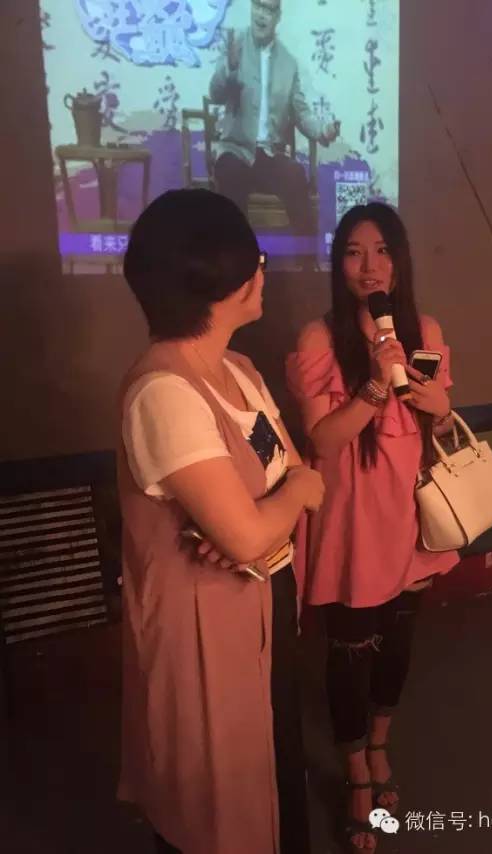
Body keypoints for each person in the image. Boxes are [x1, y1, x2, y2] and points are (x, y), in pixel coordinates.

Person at [117, 188, 323, 854]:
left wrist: (261, 521)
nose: (264, 273)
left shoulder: (240, 369)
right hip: (202, 628)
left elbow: (301, 478)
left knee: (271, 761)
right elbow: (256, 525)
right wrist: (261, 521)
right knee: (212, 796)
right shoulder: (165, 393)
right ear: (221, 282)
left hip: (267, 598)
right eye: (256, 262)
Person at [286, 203, 459, 852]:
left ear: (400, 260)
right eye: (354, 252)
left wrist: (439, 404)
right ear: (339, 264)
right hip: (352, 523)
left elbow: (435, 422)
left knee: (398, 644)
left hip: (408, 519)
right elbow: (323, 440)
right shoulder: (320, 339)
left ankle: (380, 746)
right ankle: (356, 772)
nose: (369, 266)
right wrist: (373, 389)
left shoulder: (425, 331)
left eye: (382, 250)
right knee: (350, 654)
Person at [209, 0, 339, 235]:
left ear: (278, 16)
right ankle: (238, 253)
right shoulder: (235, 46)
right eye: (258, 5)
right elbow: (216, 95)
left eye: (268, 9)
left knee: (295, 175)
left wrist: (322, 130)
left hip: (269, 156)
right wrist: (229, 66)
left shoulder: (288, 63)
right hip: (236, 151)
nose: (261, 14)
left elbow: (301, 112)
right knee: (231, 175)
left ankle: (307, 254)